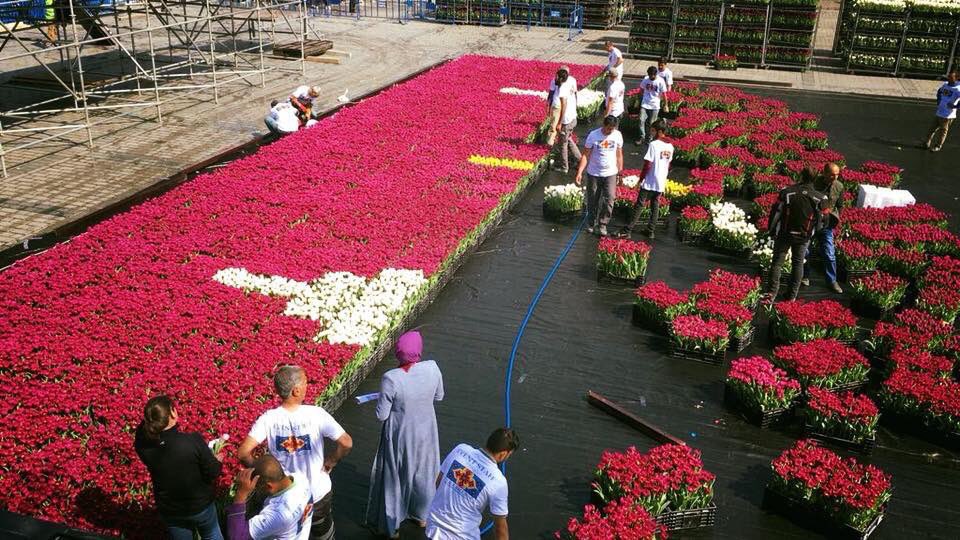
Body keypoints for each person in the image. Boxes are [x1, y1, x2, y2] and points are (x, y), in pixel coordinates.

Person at [238, 365, 353, 540]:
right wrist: (331, 460)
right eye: (306, 382)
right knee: (322, 531)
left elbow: (243, 452)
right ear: (296, 391)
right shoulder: (315, 414)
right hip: (317, 492)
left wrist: (262, 472)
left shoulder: (268, 419)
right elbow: (346, 442)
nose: (308, 385)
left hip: (286, 498)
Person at [364, 331, 445, 538]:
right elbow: (439, 396)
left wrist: (383, 398)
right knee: (425, 472)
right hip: (426, 431)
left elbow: (382, 415)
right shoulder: (433, 368)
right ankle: (421, 515)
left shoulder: (391, 378)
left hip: (401, 433)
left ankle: (393, 526)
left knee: (395, 476)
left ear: (398, 353)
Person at [133, 395, 224, 540]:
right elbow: (213, 472)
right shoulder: (191, 441)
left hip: (171, 511)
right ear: (173, 413)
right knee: (211, 535)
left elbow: (139, 435)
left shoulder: (144, 447)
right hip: (201, 507)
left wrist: (149, 419)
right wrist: (217, 461)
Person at [425, 428, 520, 540]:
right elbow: (501, 529)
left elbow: (438, 482)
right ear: (503, 454)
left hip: (432, 530)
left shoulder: (460, 449)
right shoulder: (498, 481)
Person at [765, 167, 828, 301]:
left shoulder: (787, 192)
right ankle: (791, 296)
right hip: (803, 236)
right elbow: (824, 220)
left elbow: (776, 213)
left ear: (801, 175)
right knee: (798, 264)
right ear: (816, 178)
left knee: (777, 263)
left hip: (784, 234)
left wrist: (770, 230)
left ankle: (771, 294)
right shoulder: (820, 198)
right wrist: (814, 233)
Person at [227, 455, 315, 540]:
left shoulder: (278, 514)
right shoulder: (301, 478)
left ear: (268, 486)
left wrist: (241, 494)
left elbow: (237, 536)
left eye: (257, 487)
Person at [617, 119, 673, 240]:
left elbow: (647, 164)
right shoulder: (670, 146)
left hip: (650, 180)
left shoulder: (654, 145)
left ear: (659, 131)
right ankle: (651, 230)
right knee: (655, 205)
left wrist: (641, 180)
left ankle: (628, 230)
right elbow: (668, 164)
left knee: (639, 205)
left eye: (652, 130)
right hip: (661, 181)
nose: (650, 133)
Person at [574, 115, 624, 236]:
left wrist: (620, 173)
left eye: (612, 129)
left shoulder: (617, 135)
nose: (610, 131)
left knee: (610, 199)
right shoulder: (593, 135)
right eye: (608, 129)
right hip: (594, 173)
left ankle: (603, 224)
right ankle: (591, 223)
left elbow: (619, 155)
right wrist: (580, 172)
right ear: (604, 125)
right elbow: (585, 155)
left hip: (610, 173)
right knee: (592, 199)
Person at [803, 162, 844, 294]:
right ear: (824, 173)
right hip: (812, 221)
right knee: (805, 251)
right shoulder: (814, 183)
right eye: (832, 175)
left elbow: (840, 205)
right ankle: (805, 276)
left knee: (829, 253)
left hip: (827, 223)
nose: (835, 178)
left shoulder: (839, 186)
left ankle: (831, 281)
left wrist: (837, 220)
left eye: (837, 175)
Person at [551, 66, 581, 174]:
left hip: (567, 120)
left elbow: (564, 104)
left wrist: (560, 122)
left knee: (562, 143)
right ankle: (580, 159)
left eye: (556, 76)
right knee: (568, 140)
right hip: (573, 117)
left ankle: (564, 167)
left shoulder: (562, 88)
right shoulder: (571, 81)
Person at [926, 70, 960, 152]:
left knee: (942, 132)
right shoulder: (945, 84)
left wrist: (955, 106)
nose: (949, 79)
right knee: (931, 129)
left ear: (956, 78)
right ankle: (926, 143)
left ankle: (938, 146)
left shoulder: (958, 89)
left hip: (947, 115)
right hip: (939, 112)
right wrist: (938, 100)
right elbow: (939, 91)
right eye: (948, 76)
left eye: (951, 77)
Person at [637, 66, 668, 146]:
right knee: (641, 120)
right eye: (650, 75)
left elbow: (664, 94)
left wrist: (666, 104)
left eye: (653, 75)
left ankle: (650, 138)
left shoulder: (660, 81)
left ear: (655, 74)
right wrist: (638, 101)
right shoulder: (646, 80)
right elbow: (641, 90)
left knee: (652, 123)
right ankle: (642, 136)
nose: (652, 77)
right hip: (645, 103)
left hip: (655, 105)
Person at [545, 71, 564, 146]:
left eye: (557, 76)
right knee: (553, 125)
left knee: (555, 126)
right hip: (555, 105)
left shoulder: (565, 85)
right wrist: (548, 105)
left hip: (559, 106)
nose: (555, 77)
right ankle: (551, 143)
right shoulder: (554, 81)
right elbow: (551, 93)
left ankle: (551, 144)